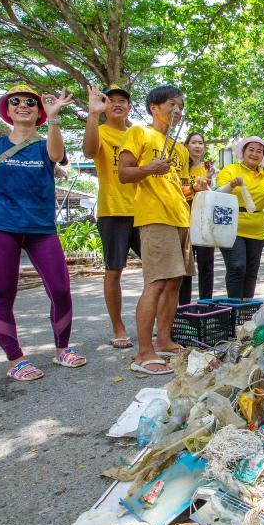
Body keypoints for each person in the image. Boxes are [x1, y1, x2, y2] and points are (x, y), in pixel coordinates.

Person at [0, 85, 84, 381]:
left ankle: (62, 350)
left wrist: (54, 118)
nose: (23, 105)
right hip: (0, 227)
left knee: (60, 289)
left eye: (31, 102)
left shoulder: (45, 143)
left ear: (39, 111)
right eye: (15, 101)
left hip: (41, 228)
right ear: (7, 110)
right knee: (3, 293)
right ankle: (15, 359)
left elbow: (56, 155)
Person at [118, 85, 193, 376]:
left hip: (180, 218)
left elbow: (180, 186)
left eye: (181, 106)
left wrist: (195, 188)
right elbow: (124, 173)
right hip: (154, 216)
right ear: (154, 108)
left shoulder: (181, 148)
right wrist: (150, 168)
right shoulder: (139, 133)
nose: (178, 110)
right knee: (157, 282)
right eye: (172, 104)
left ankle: (164, 340)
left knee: (175, 282)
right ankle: (143, 352)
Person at [82, 84, 138, 349]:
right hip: (113, 210)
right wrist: (93, 115)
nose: (117, 104)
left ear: (129, 107)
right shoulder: (100, 131)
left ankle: (150, 321)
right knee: (114, 271)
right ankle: (118, 327)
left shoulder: (138, 134)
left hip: (144, 211)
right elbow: (90, 152)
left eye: (122, 101)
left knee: (158, 270)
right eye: (111, 100)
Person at [216, 137, 264, 298]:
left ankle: (245, 311)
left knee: (251, 271)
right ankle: (234, 308)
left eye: (259, 151)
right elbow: (216, 194)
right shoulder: (230, 170)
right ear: (243, 152)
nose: (255, 153)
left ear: (263, 156)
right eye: (251, 149)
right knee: (237, 266)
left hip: (256, 230)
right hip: (231, 226)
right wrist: (232, 185)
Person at [178, 132, 214, 304]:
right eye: (194, 142)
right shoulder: (180, 166)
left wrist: (208, 183)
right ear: (186, 146)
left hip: (203, 216)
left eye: (201, 142)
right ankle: (184, 308)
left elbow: (210, 194)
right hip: (184, 214)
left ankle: (206, 305)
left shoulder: (208, 167)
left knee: (206, 264)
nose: (198, 146)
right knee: (186, 265)